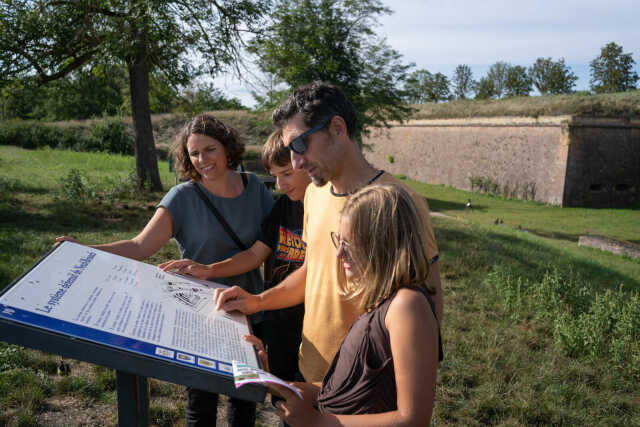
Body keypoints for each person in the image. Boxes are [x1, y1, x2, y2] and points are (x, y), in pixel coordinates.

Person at [215, 81, 443, 384]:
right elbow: (313, 271)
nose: (295, 162)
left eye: (299, 145)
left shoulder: (401, 202)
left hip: (366, 383)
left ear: (337, 128)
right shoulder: (314, 194)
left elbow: (428, 299)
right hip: (312, 369)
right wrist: (257, 301)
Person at [56, 113, 275, 427]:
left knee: (245, 404)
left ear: (227, 147)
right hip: (202, 315)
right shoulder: (183, 197)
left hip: (251, 311)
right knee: (201, 406)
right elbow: (140, 246)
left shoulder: (255, 188)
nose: (202, 159)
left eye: (209, 149)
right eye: (194, 153)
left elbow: (265, 249)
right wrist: (83, 249)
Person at [258, 185, 441, 426]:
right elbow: (347, 388)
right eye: (338, 241)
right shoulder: (380, 298)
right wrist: (273, 382)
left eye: (349, 243)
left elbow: (412, 419)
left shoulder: (407, 306)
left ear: (382, 243)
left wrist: (316, 422)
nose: (339, 254)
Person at [158, 128, 311, 384]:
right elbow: (254, 254)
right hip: (278, 319)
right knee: (284, 393)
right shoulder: (284, 207)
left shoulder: (330, 209)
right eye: (275, 176)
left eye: (286, 174)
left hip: (312, 318)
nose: (280, 186)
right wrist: (209, 270)